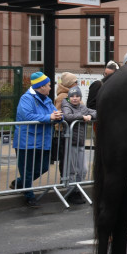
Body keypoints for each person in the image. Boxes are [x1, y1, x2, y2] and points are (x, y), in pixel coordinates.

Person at [13, 72, 63, 208]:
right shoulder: (26, 98)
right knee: (27, 170)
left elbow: (54, 113)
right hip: (26, 141)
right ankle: (29, 196)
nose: (50, 88)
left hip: (43, 140)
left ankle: (19, 182)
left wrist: (59, 117)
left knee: (44, 167)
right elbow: (28, 116)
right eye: (48, 85)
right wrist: (50, 117)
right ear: (40, 87)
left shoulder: (46, 99)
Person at [61, 86, 96, 195]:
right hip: (70, 142)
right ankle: (71, 192)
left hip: (80, 143)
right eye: (72, 96)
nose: (75, 98)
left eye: (77, 96)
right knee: (72, 170)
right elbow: (67, 116)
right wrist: (82, 117)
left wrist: (90, 115)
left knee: (83, 170)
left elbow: (96, 112)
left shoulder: (83, 107)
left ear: (80, 97)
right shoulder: (66, 105)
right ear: (69, 97)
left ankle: (77, 189)